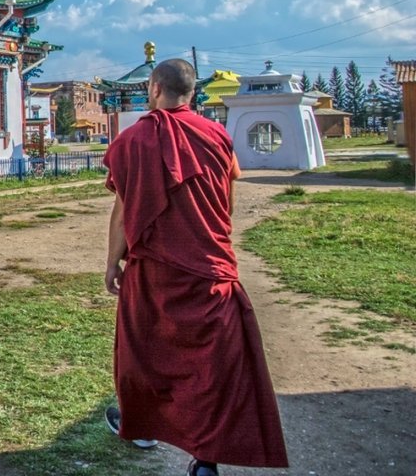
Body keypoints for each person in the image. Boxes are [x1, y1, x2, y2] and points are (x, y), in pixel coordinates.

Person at [102, 59, 288, 476]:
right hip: (209, 267)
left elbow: (123, 210)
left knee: (144, 353)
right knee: (212, 365)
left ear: (153, 89)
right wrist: (212, 241)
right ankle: (206, 461)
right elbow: (226, 202)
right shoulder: (217, 136)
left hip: (153, 271)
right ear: (192, 93)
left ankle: (143, 429)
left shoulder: (133, 141)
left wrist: (112, 261)